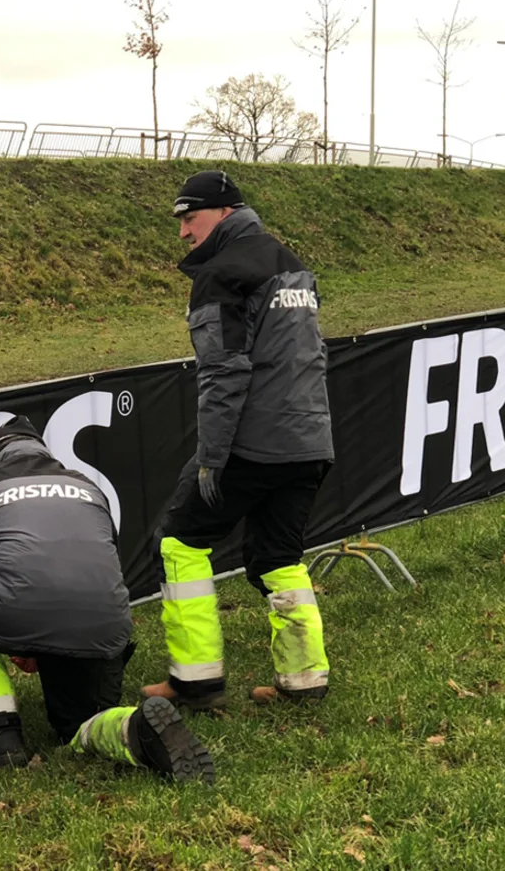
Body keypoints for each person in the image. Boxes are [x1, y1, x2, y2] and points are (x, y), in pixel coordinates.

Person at [0, 415, 213, 781]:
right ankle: (134, 729)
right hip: (103, 623)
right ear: (47, 453)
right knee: (79, 725)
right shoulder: (84, 483)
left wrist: (18, 635)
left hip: (14, 611)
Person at [142, 169, 333, 710]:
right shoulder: (290, 260)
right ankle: (304, 682)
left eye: (190, 217)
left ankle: (194, 682)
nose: (183, 232)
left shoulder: (222, 273)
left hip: (253, 442)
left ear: (223, 213)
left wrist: (212, 457)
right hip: (310, 436)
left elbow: (223, 371)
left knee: (179, 542)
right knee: (279, 556)